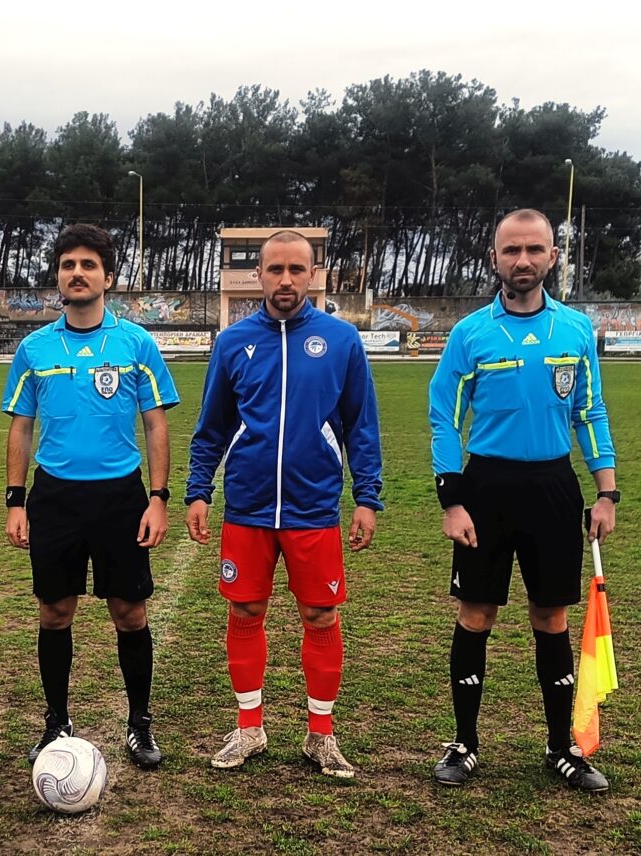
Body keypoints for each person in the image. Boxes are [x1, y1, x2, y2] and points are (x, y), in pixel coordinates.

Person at [428, 208, 618, 791]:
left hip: (554, 488)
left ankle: (562, 747)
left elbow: (590, 412)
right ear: (494, 258)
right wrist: (452, 501)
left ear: (553, 256)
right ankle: (464, 743)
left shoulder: (575, 330)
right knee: (476, 614)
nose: (523, 260)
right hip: (486, 489)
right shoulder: (470, 334)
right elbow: (444, 418)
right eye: (511, 250)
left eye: (535, 249)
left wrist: (606, 491)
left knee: (551, 617)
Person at [185, 229, 383, 779]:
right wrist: (199, 490)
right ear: (259, 276)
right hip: (247, 508)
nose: (287, 279)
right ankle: (250, 728)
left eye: (297, 269)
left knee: (320, 615)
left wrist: (367, 497)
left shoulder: (342, 341)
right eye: (276, 269)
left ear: (313, 274)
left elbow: (361, 427)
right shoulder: (233, 342)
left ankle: (321, 735)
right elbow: (211, 428)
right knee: (245, 610)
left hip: (313, 508)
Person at [2, 223, 179, 769]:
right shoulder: (34, 348)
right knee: (55, 611)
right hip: (54, 497)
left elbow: (155, 424)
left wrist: (158, 497)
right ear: (58, 276)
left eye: (88, 265)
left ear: (108, 277)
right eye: (67, 265)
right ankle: (57, 722)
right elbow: (21, 427)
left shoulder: (135, 343)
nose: (77, 273)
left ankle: (140, 724)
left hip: (121, 496)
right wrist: (15, 499)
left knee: (130, 611)